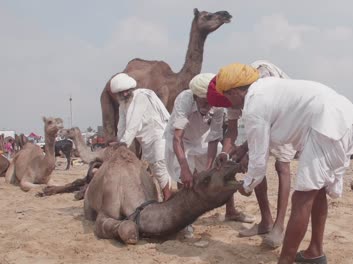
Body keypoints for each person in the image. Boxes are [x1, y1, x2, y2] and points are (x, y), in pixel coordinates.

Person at [215, 63, 353, 264]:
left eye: (226, 97)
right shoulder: (267, 86)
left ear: (234, 92)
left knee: (301, 198)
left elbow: (259, 162)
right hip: (340, 116)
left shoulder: (254, 104)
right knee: (317, 190)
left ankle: (285, 260)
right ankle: (315, 252)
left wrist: (246, 185)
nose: (227, 103)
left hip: (326, 124)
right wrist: (243, 152)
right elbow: (260, 141)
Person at [208, 60, 294, 248]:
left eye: (230, 100)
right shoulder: (231, 93)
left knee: (281, 165)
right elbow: (232, 131)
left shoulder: (263, 82)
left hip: (284, 117)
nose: (231, 105)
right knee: (256, 164)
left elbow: (268, 127)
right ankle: (266, 221)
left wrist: (246, 149)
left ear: (235, 91)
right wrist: (226, 152)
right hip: (262, 120)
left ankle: (279, 226)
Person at [164, 73, 253, 237]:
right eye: (204, 101)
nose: (208, 105)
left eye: (210, 101)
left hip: (203, 140)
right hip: (181, 140)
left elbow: (213, 139)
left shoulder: (218, 105)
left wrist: (208, 169)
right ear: (195, 96)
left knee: (222, 168)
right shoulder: (184, 100)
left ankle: (231, 211)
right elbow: (177, 138)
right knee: (184, 177)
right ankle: (185, 221)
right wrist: (185, 168)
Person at [110, 73, 172, 201]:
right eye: (122, 92)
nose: (126, 94)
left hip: (159, 135)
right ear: (118, 94)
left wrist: (123, 144)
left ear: (131, 89)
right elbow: (121, 126)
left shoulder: (142, 96)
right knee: (154, 169)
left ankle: (169, 199)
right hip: (145, 140)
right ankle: (162, 198)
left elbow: (134, 122)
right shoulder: (123, 104)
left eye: (127, 91)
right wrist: (119, 142)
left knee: (160, 167)